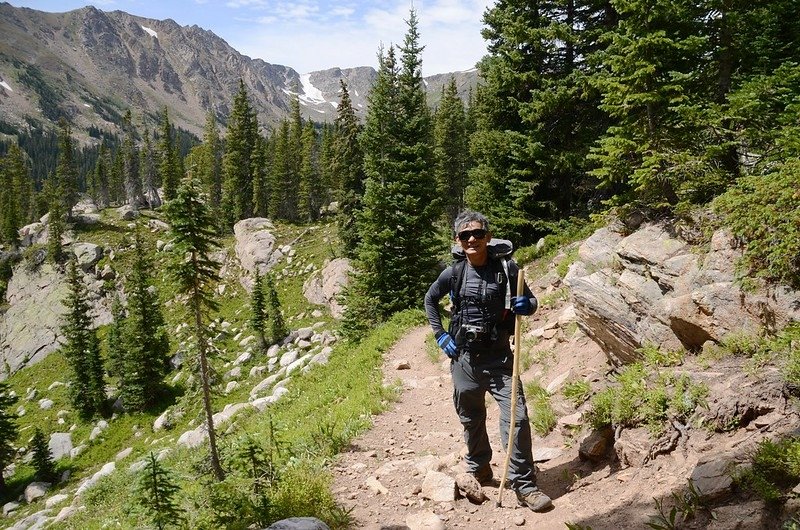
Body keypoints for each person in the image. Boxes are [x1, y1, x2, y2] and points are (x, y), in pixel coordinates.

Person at [423, 210, 553, 512]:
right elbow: (430, 300)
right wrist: (440, 335)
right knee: (470, 416)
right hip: (464, 357)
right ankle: (480, 466)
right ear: (458, 240)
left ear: (488, 237)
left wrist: (527, 305)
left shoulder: (507, 269)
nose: (472, 239)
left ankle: (525, 485)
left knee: (517, 418)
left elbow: (530, 301)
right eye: (465, 235)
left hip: (500, 358)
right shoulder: (453, 273)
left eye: (478, 234)